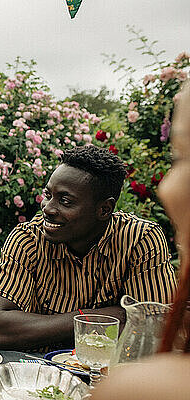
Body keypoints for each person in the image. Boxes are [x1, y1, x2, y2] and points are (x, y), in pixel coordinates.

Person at [0, 144, 177, 351]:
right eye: (48, 195)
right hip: (38, 375)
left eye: (65, 201)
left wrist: (44, 326)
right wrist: (98, 317)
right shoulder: (28, 239)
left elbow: (154, 331)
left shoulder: (139, 240)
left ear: (104, 209)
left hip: (111, 376)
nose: (47, 208)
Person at [91, 84, 190, 399]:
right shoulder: (30, 235)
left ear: (105, 208)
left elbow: (148, 319)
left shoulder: (148, 387)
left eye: (179, 158)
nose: (166, 187)